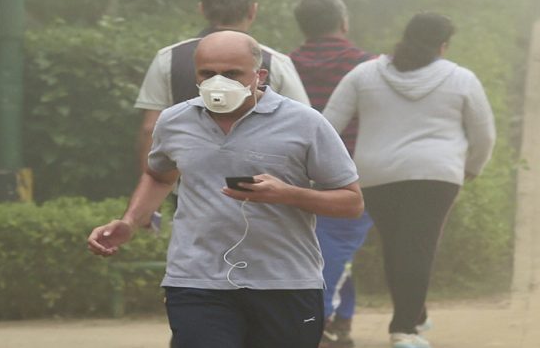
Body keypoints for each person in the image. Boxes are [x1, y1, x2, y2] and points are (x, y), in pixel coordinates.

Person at [89, 30, 364, 348]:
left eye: (232, 73)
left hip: (286, 281)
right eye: (207, 73)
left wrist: (288, 194)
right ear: (196, 75)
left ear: (259, 76)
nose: (218, 82)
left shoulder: (305, 123)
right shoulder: (174, 121)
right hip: (196, 280)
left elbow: (351, 202)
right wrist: (129, 222)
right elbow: (159, 176)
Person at [322, 13, 496, 348]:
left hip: (376, 174)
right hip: (437, 173)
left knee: (397, 245)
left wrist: (329, 170)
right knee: (418, 247)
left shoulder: (364, 74)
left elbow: (327, 126)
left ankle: (413, 315)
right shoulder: (461, 78)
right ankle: (404, 330)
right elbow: (484, 134)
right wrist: (472, 167)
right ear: (443, 45)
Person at [134, 0, 309, 174]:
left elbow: (150, 128)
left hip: (188, 185)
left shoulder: (168, 57)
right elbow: (302, 128)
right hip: (261, 186)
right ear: (253, 10)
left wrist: (152, 187)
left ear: (202, 10)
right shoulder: (276, 61)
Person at [289, 0, 376, 348]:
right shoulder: (367, 65)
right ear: (344, 23)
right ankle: (319, 320)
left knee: (328, 248)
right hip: (356, 170)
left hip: (295, 172)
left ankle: (340, 320)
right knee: (336, 247)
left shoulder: (284, 65)